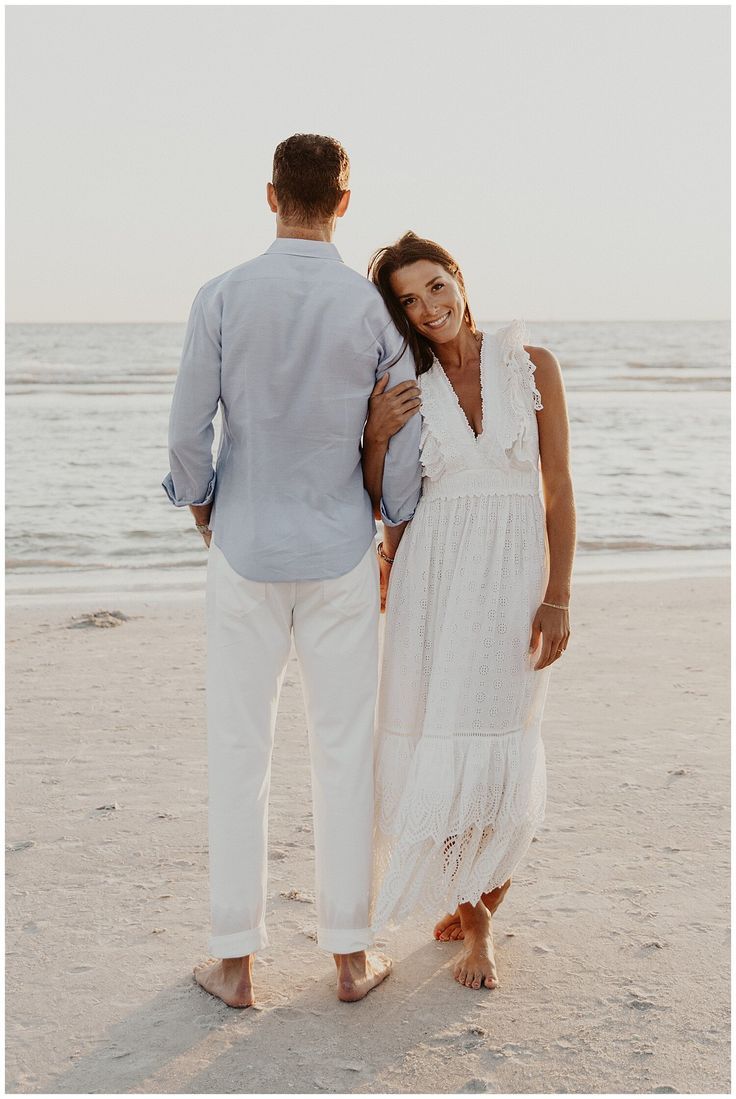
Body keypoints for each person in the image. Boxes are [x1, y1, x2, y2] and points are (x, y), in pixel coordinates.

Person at [162, 136, 422, 1007]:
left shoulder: (225, 294)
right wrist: (387, 512)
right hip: (342, 550)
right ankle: (350, 956)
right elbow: (405, 461)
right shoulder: (372, 310)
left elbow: (186, 430)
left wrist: (202, 504)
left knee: (240, 749)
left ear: (271, 194)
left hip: (244, 548)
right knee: (344, 749)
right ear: (344, 203)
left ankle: (234, 962)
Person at [362, 232, 576, 991]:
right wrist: (377, 434)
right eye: (410, 301)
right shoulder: (407, 381)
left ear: (458, 277)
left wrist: (557, 595)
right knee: (443, 736)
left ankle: (484, 890)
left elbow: (557, 486)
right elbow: (386, 493)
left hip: (515, 579)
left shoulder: (531, 365)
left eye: (436, 287)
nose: (429, 308)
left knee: (505, 739)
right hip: (434, 581)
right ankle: (476, 918)